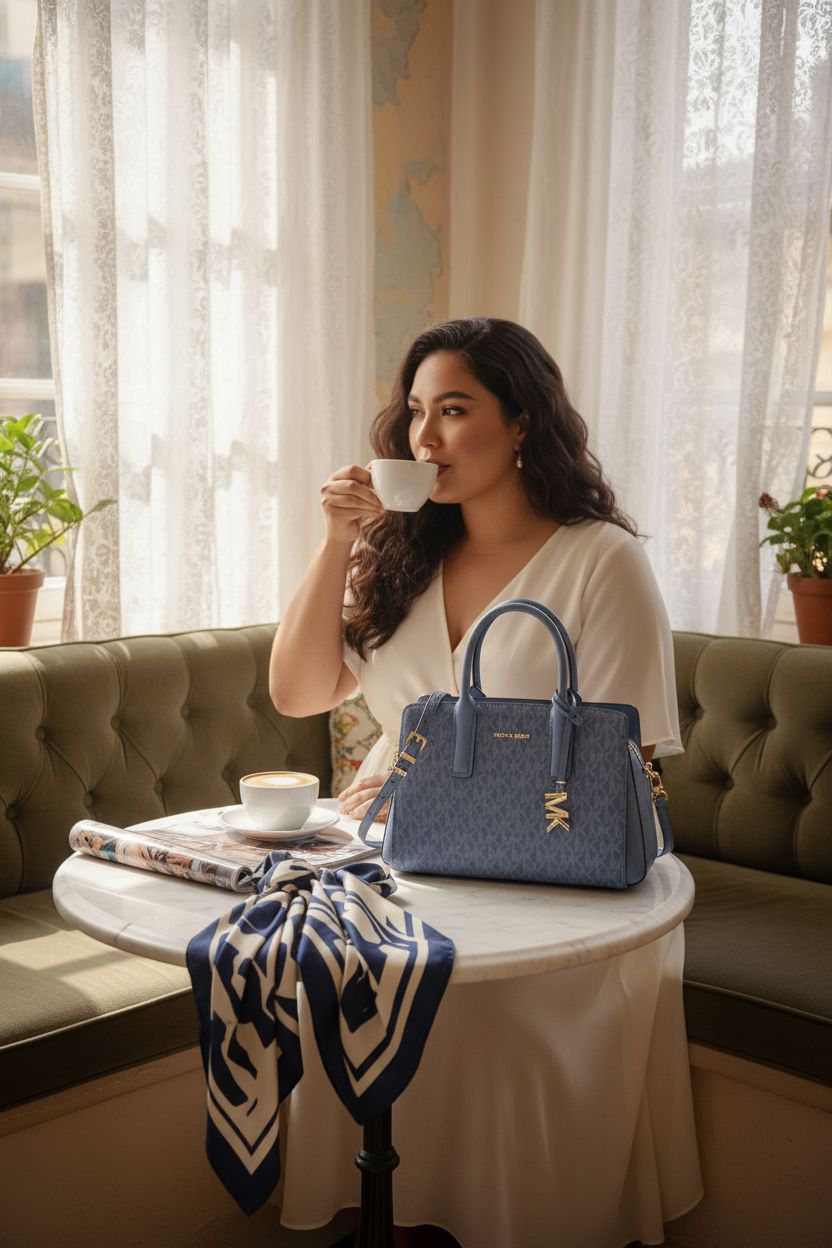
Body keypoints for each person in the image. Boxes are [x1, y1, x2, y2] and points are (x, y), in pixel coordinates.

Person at [270, 316, 681, 821]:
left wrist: (438, 793)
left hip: (531, 854)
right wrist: (336, 542)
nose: (424, 436)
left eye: (453, 411)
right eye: (416, 411)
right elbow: (296, 694)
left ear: (521, 425)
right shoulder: (398, 552)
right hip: (382, 844)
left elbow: (622, 771)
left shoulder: (603, 560)